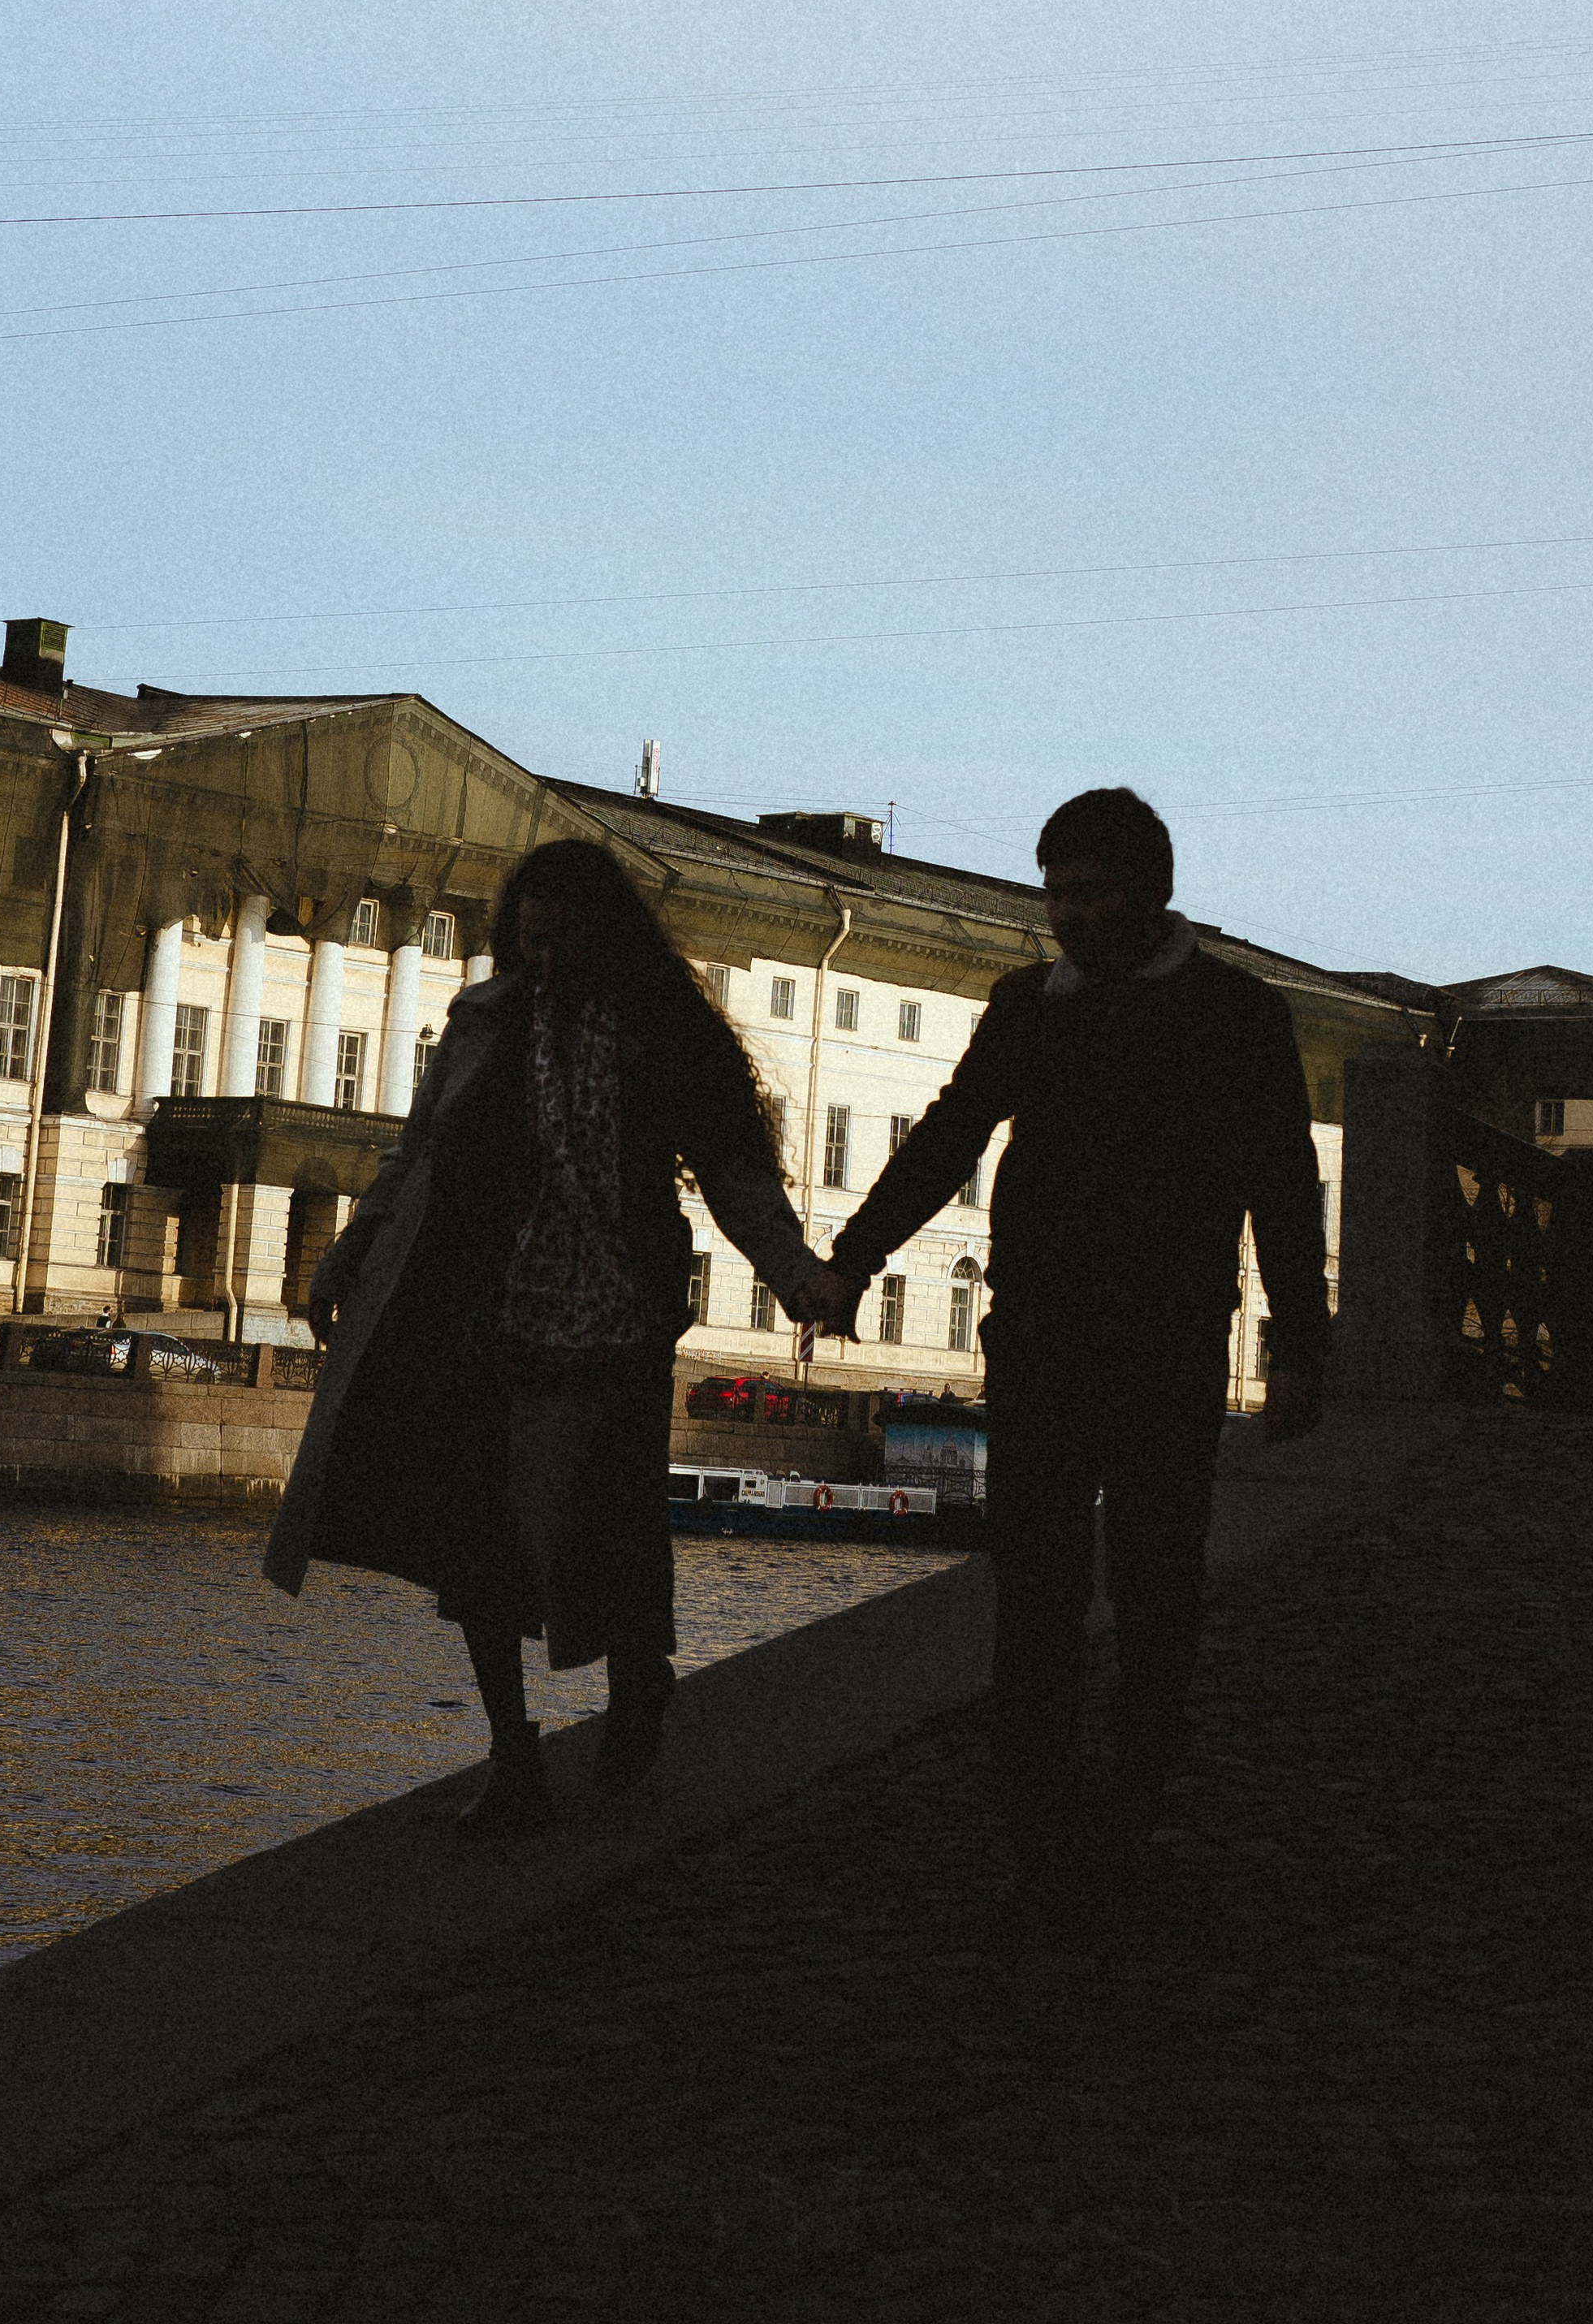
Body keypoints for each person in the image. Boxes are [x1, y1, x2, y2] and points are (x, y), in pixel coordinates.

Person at [814, 785, 1329, 1924]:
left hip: (1166, 1346)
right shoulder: (1026, 1008)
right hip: (1041, 1341)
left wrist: (1299, 1345)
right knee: (1035, 1591)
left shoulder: (1236, 1014)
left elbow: (1283, 1188)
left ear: (1152, 894)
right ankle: (1039, 1825)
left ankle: (1132, 1798)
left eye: (1088, 896)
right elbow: (949, 1133)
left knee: (1156, 1588)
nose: (1069, 919)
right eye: (1057, 896)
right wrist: (850, 1259)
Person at [263, 840, 828, 1835]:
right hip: (485, 1306)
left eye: (564, 944)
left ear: (605, 940)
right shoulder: (488, 1020)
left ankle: (637, 1679)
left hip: (616, 1314)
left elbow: (738, 1175)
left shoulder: (660, 1030)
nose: (547, 964)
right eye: (531, 944)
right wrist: (346, 1258)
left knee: (602, 1522)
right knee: (475, 1537)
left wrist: (798, 1278)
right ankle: (514, 1759)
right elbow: (420, 1154)